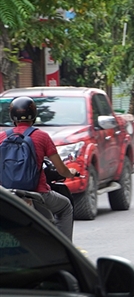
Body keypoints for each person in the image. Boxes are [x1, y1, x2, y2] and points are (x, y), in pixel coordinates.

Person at [0, 96, 79, 239]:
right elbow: (61, 170)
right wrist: (71, 173)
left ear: (12, 116)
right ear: (34, 115)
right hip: (38, 193)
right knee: (65, 207)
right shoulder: (42, 137)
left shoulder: (2, 137)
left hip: (6, 195)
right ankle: (64, 251)